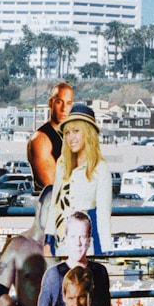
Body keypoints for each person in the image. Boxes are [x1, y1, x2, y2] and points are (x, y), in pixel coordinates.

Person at [46, 104, 112, 255]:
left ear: (88, 134)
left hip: (86, 247)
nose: (71, 138)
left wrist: (106, 250)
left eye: (76, 131)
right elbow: (54, 206)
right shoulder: (62, 164)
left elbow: (103, 214)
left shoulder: (100, 169)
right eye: (68, 133)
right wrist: (48, 241)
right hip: (61, 245)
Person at [28, 82, 74, 194]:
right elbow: (51, 185)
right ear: (51, 103)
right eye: (59, 102)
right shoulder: (41, 139)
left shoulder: (69, 136)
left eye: (68, 103)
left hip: (71, 206)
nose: (64, 109)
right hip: (51, 207)